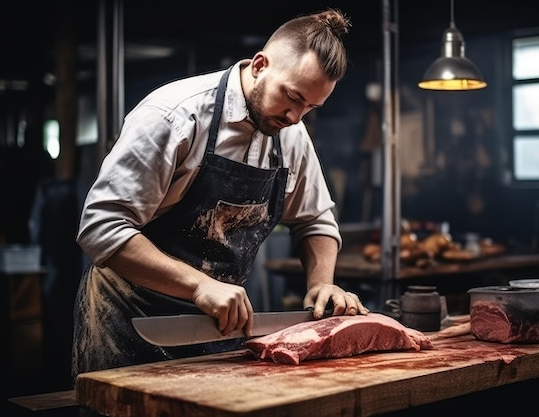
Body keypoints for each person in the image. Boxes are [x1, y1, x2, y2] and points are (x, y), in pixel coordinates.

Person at [72, 8, 369, 381]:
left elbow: (316, 220)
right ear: (260, 65)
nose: (296, 117)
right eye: (292, 97)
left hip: (221, 325)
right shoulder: (174, 116)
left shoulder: (290, 134)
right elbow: (101, 227)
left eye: (310, 107)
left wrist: (322, 283)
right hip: (129, 320)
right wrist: (198, 285)